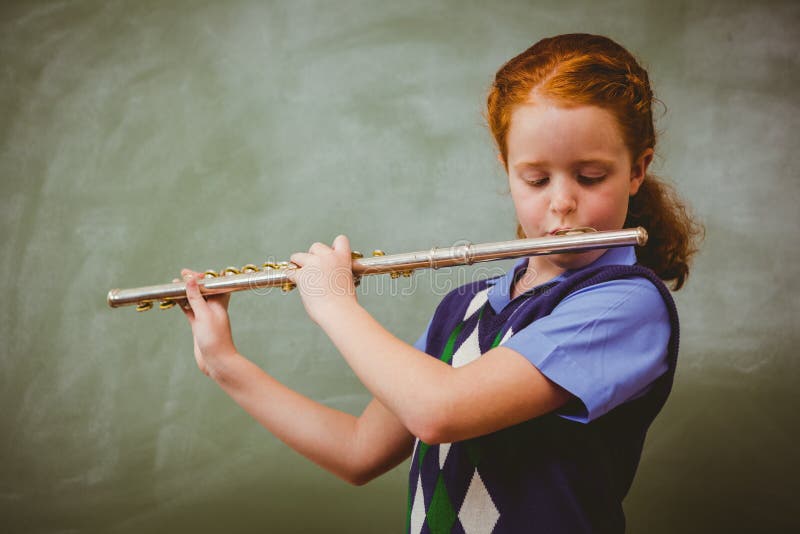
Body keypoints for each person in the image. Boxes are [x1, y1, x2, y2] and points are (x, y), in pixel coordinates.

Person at [177, 33, 701, 534]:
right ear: (507, 171)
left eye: (590, 176)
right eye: (536, 179)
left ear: (637, 169)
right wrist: (227, 364)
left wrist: (333, 303)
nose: (561, 202)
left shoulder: (627, 304)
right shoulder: (465, 306)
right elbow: (358, 451)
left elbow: (440, 411)